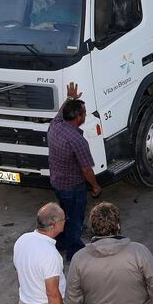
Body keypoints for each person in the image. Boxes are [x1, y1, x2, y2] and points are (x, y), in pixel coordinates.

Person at [48, 82, 100, 262]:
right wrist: (95, 186)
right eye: (84, 113)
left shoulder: (55, 125)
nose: (85, 114)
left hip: (57, 182)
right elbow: (86, 169)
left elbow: (60, 112)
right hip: (73, 187)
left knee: (63, 215)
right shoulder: (77, 140)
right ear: (78, 117)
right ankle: (75, 252)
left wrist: (71, 98)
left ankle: (60, 243)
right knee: (75, 220)